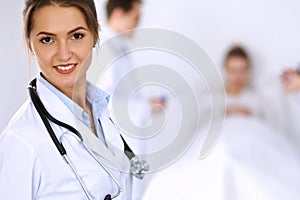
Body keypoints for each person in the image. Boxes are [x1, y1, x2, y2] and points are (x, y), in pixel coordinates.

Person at [0, 0, 138, 199]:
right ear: (30, 43)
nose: (64, 54)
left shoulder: (101, 112)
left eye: (76, 36)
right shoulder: (21, 142)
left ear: (95, 36)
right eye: (47, 40)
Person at [224, 45, 263, 118]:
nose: (237, 76)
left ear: (248, 70)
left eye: (242, 70)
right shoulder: (212, 100)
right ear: (226, 69)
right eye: (233, 70)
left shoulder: (256, 100)